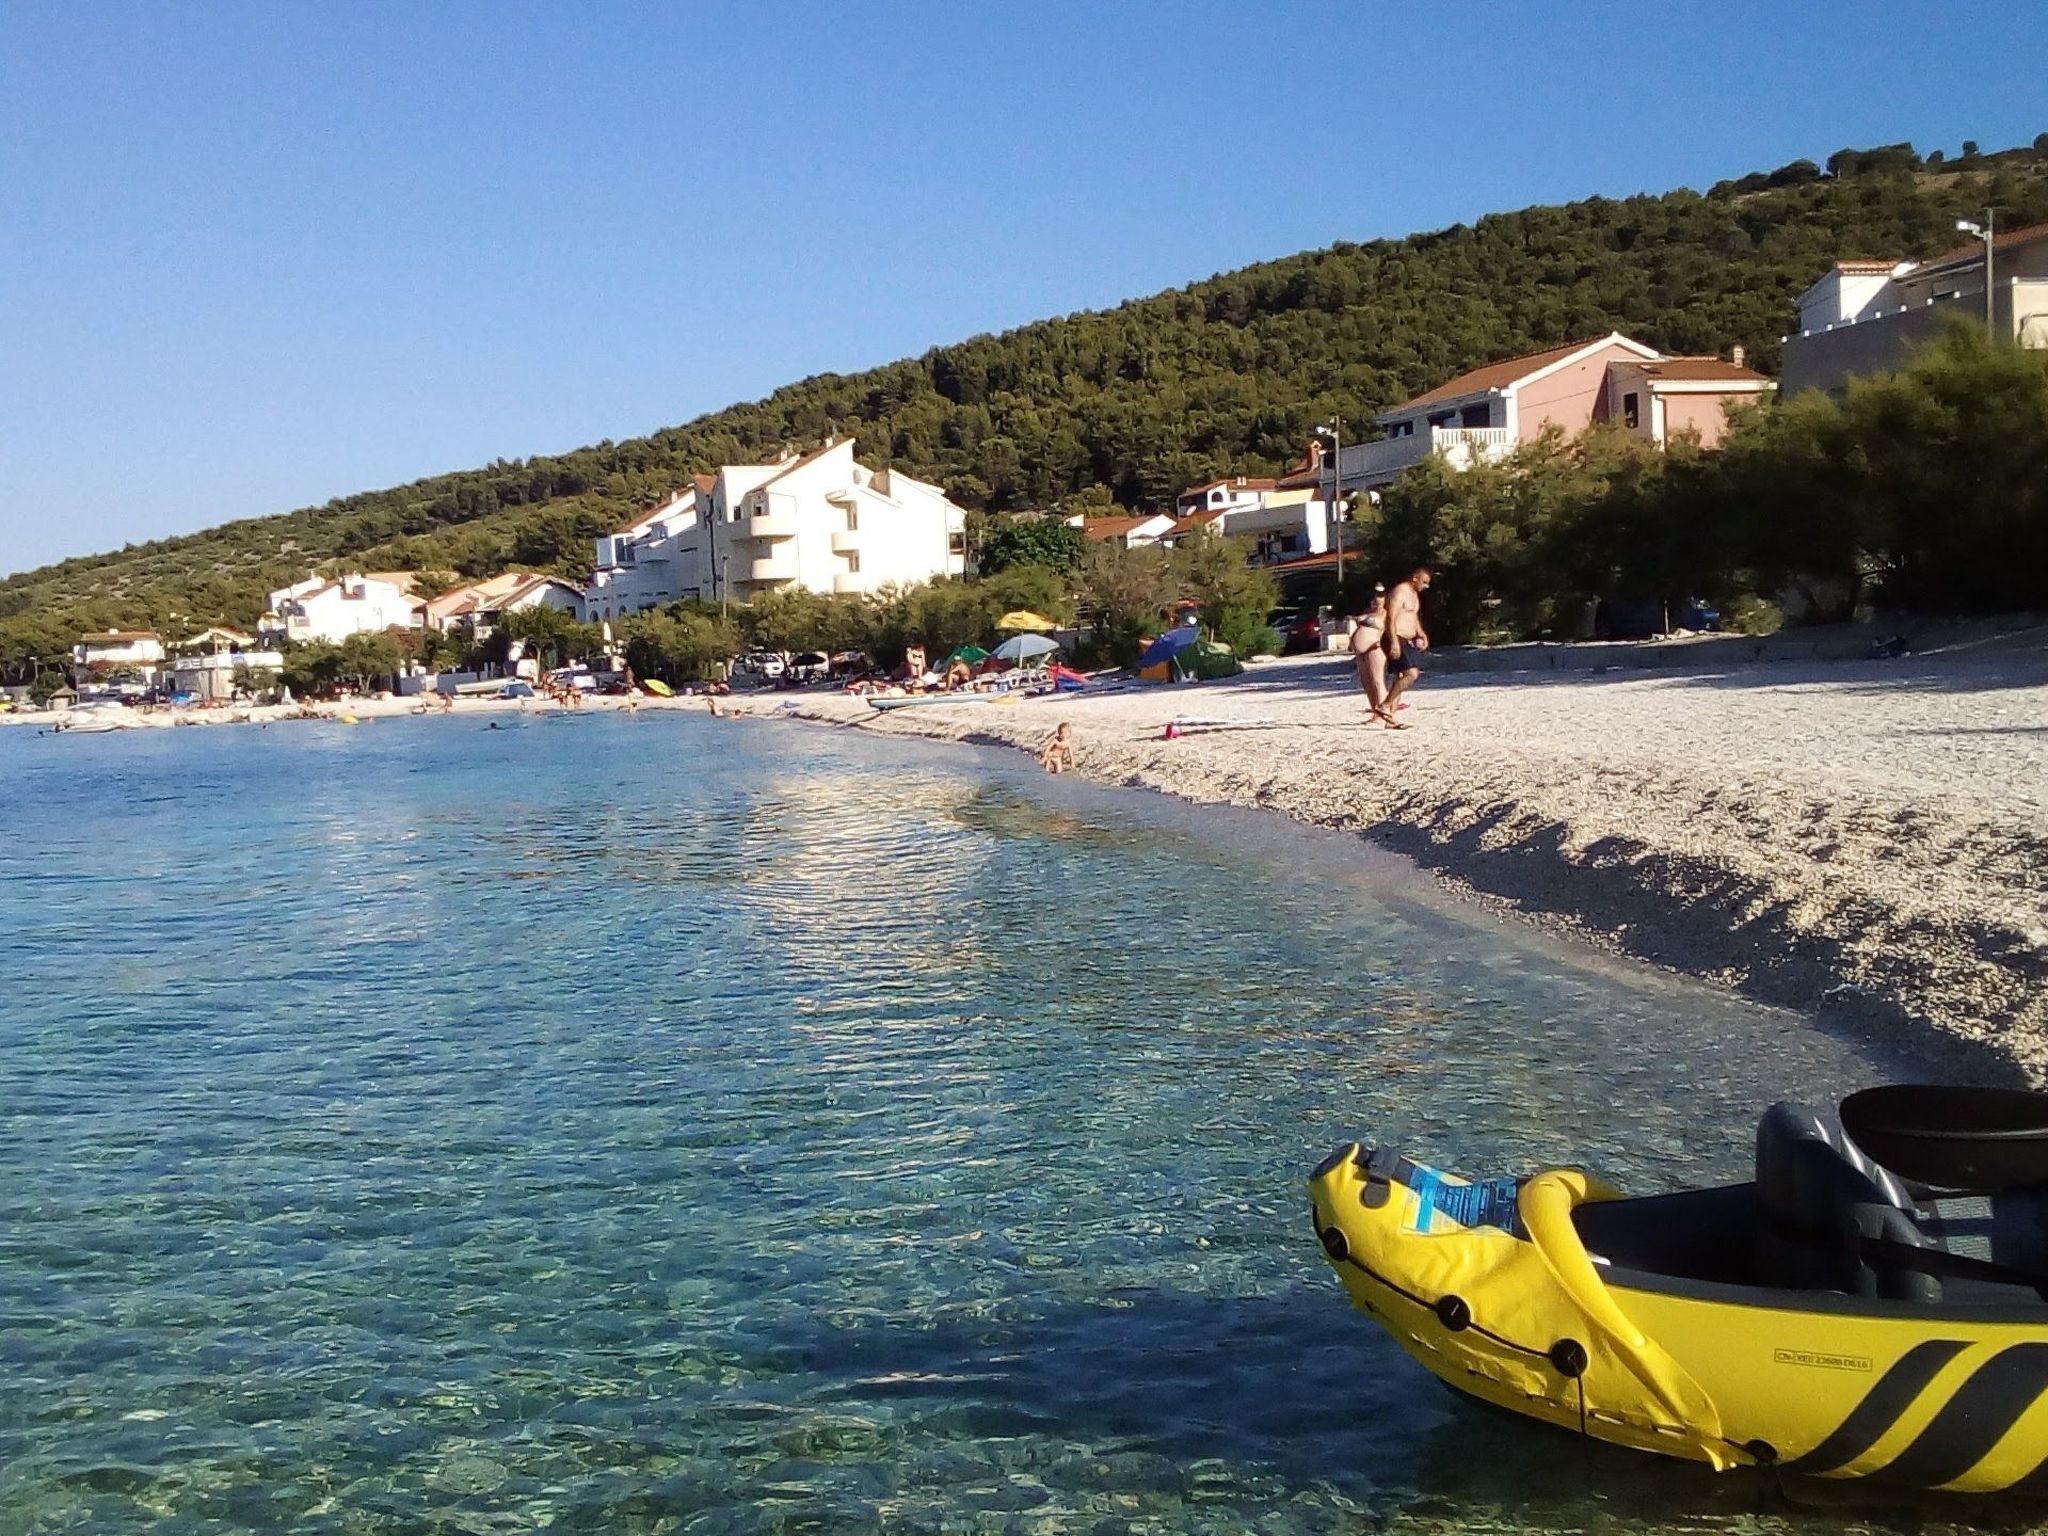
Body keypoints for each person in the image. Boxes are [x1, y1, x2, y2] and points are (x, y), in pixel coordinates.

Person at [1380, 567, 1433, 726]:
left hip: (1406, 639)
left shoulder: (1414, 595)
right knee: (1412, 674)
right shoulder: (1400, 591)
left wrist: (1421, 633)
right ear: (1415, 578)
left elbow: (1413, 616)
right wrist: (1394, 641)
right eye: (1424, 582)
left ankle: (1390, 718)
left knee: (1400, 678)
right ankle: (1385, 704)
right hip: (1396, 637)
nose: (1425, 586)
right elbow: (1391, 617)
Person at [1348, 588, 1388, 720]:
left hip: (1374, 647)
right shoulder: (1367, 612)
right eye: (1374, 602)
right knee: (1366, 682)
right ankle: (1375, 711)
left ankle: (1383, 713)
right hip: (1360, 652)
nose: (1376, 605)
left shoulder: (1385, 615)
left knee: (1377, 681)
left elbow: (1387, 630)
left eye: (1379, 602)